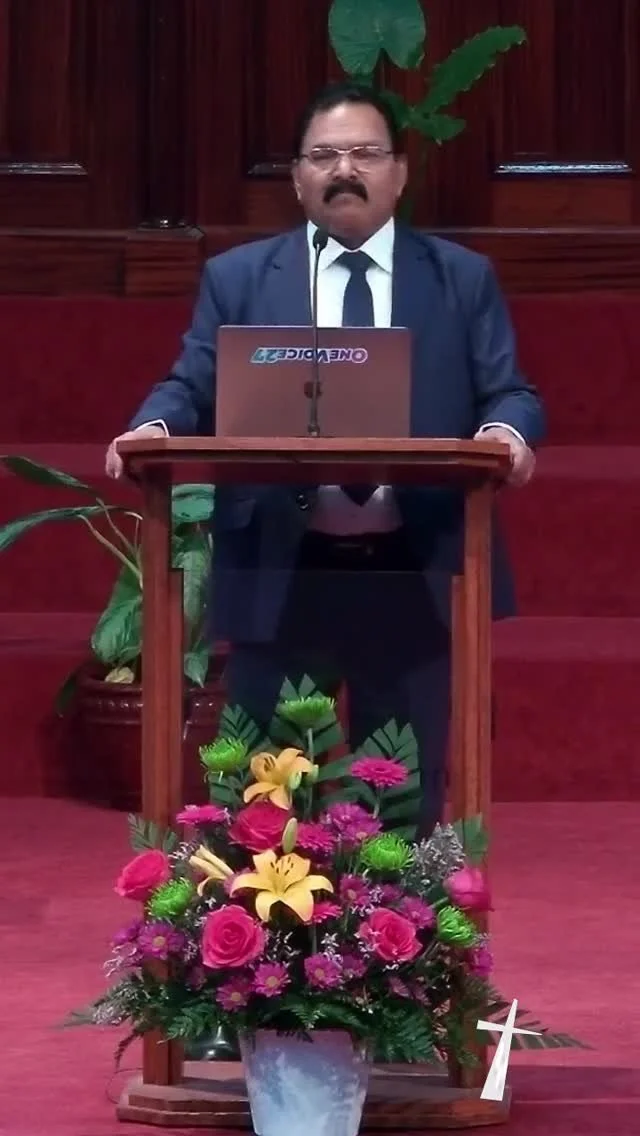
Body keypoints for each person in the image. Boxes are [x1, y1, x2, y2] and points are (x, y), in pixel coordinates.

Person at [106, 82, 545, 835]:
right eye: (325, 155)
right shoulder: (240, 278)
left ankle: (398, 916)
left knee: (400, 810)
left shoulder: (460, 277)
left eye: (365, 153)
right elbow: (190, 382)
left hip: (412, 566)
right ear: (298, 177)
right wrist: (151, 425)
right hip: (282, 566)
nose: (345, 170)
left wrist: (507, 433)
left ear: (399, 172)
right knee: (262, 810)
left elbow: (510, 391)